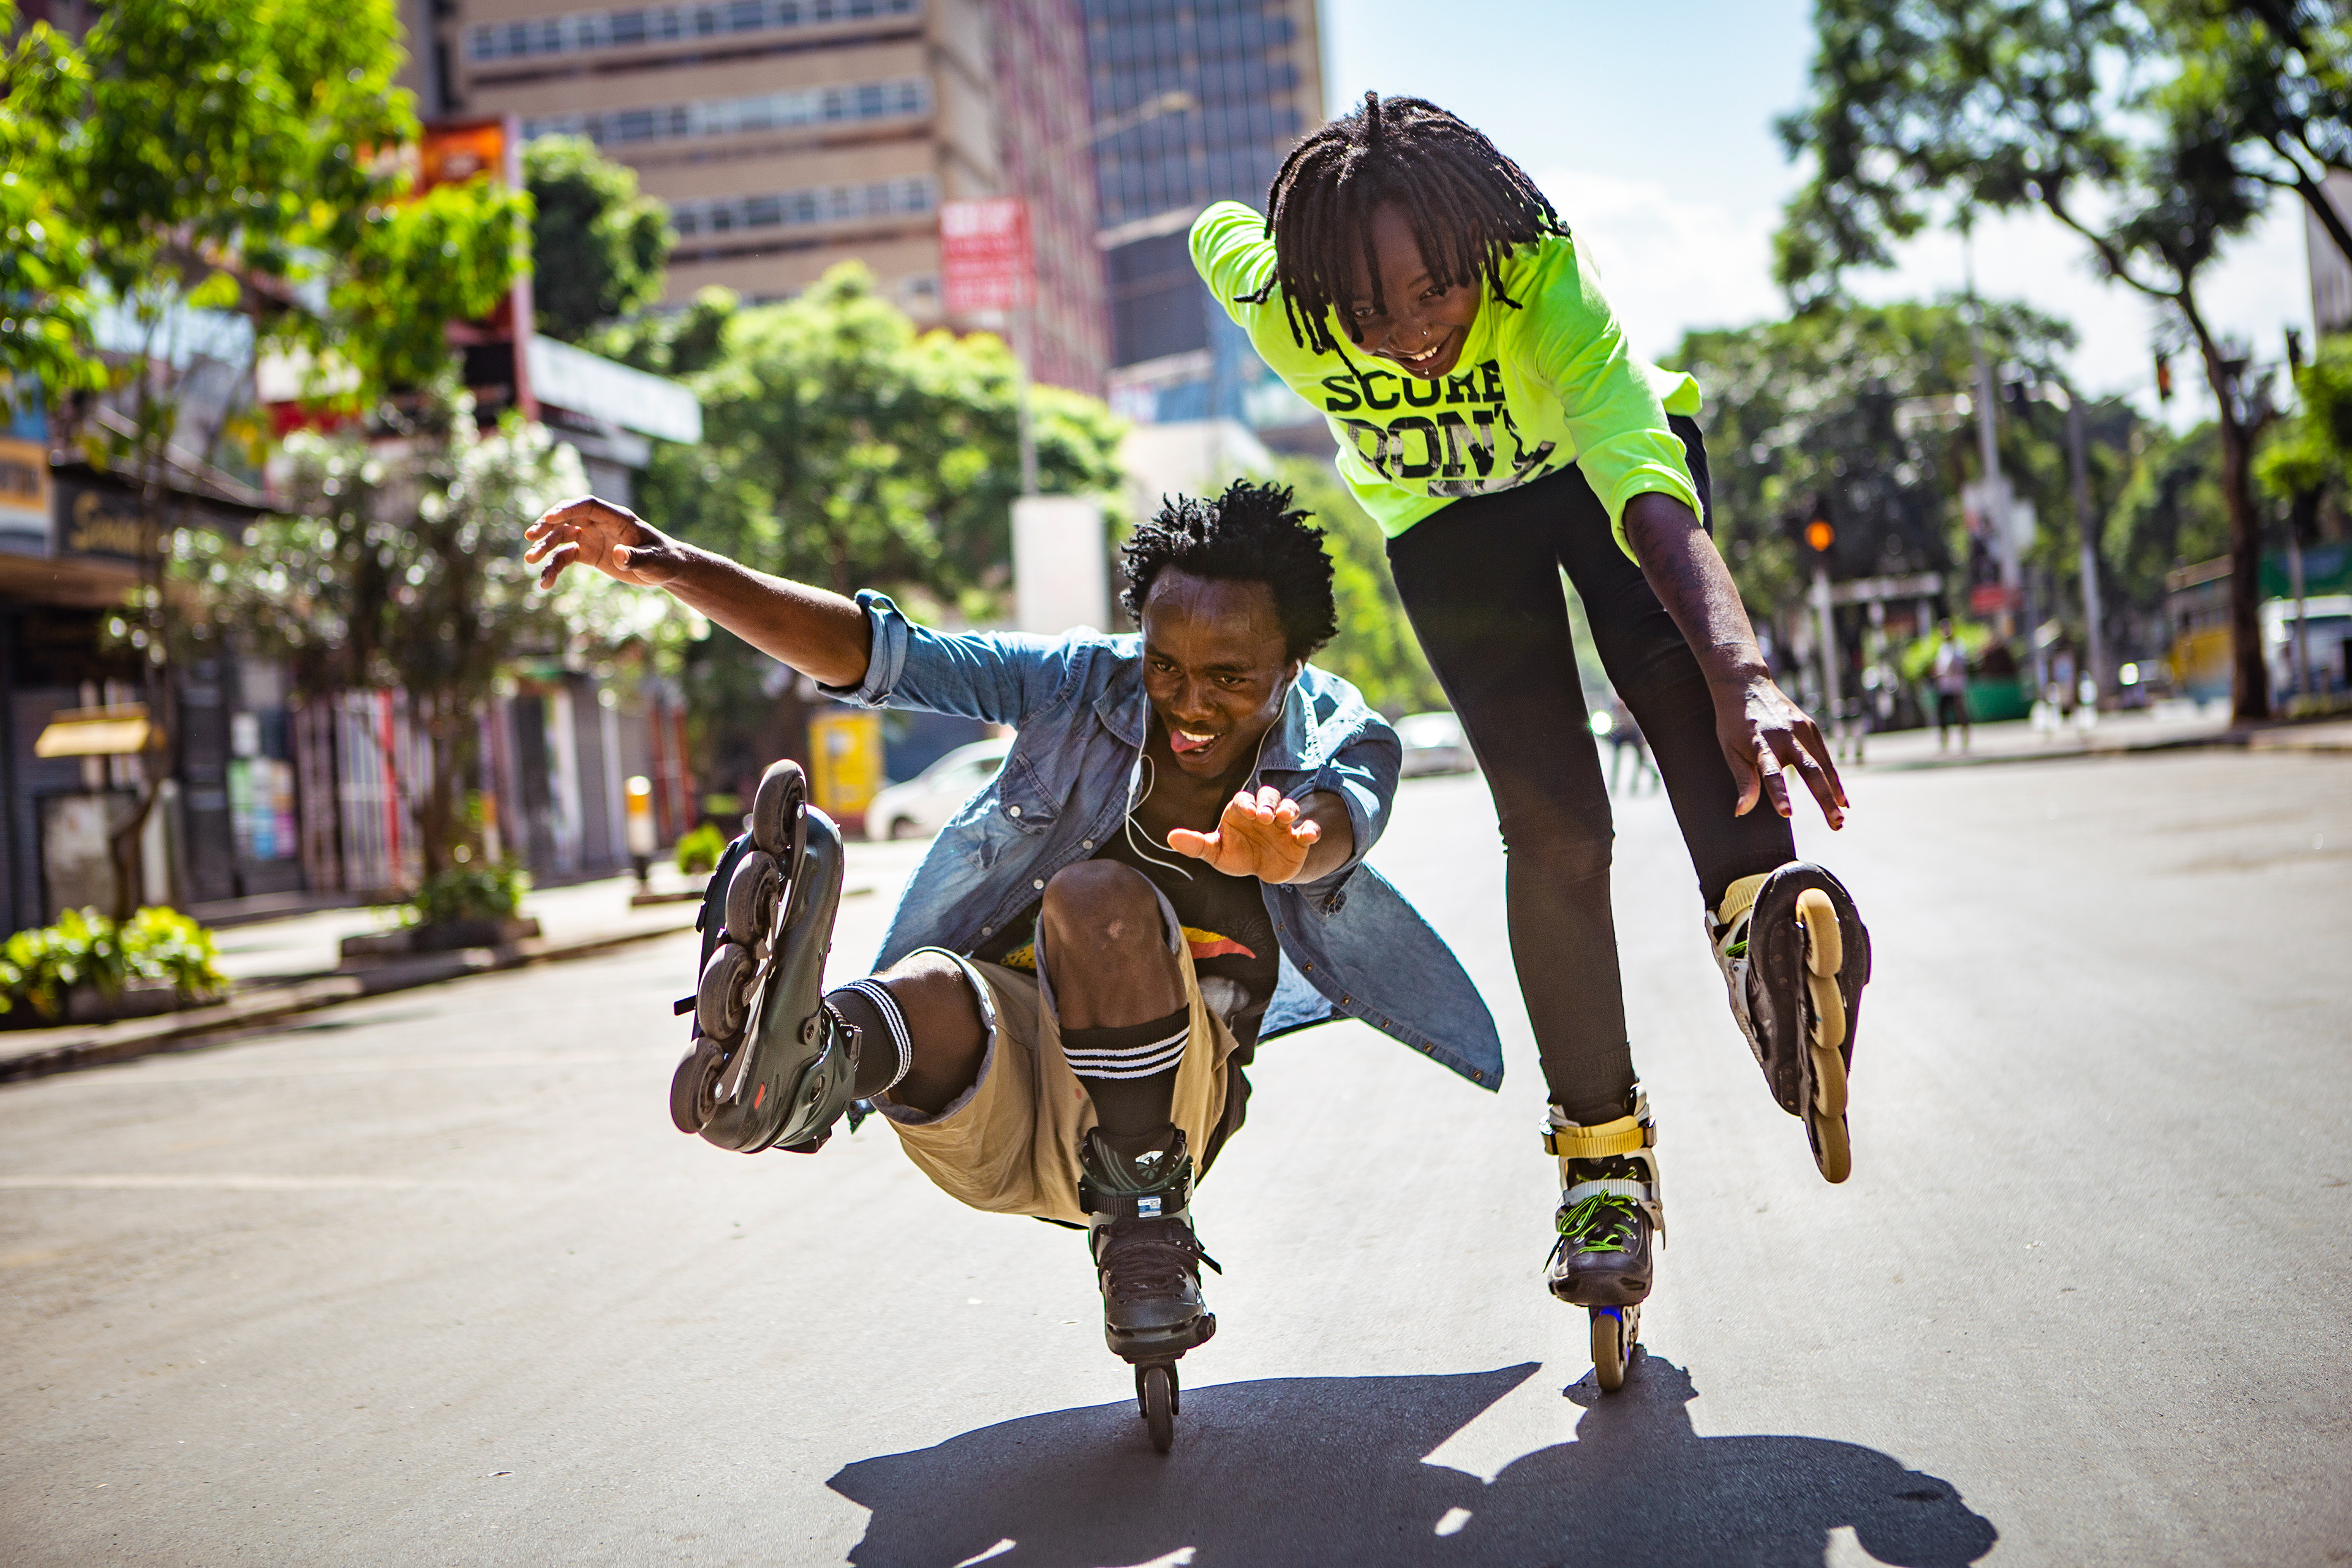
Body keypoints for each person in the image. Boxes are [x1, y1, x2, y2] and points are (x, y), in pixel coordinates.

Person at [524, 480, 1501, 1390]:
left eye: (1231, 678)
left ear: (1292, 664)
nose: (1191, 703)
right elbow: (884, 657)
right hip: (993, 1080)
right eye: (1165, 666)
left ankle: (1146, 1222)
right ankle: (801, 1074)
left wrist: (1285, 852)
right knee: (928, 986)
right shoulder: (1081, 683)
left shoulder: (1342, 733)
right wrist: (672, 563)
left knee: (1094, 898)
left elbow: (1347, 820)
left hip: (1169, 1101)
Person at [1191, 93, 1872, 1322]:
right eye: (1370, 309)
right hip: (1451, 525)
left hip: (1602, 484)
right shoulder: (1290, 313)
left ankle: (1760, 924)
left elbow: (1645, 492)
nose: (1409, 331)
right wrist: (1283, 259)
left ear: (1483, 253)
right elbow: (1218, 235)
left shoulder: (1546, 285)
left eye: (1437, 291)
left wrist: (1749, 671)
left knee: (1687, 695)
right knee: (1554, 830)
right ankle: (1599, 1160)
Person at [1931, 620, 1972, 750]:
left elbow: (1959, 664)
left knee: (1960, 712)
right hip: (1945, 686)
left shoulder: (1958, 646)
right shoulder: (1943, 648)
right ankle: (1945, 739)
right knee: (1942, 712)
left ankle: (1965, 737)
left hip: (1956, 685)